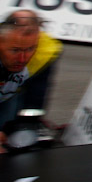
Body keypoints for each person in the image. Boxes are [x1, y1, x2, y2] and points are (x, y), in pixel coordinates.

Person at [0, 10, 62, 153]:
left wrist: (27, 122)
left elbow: (38, 88)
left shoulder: (47, 49)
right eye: (15, 50)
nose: (23, 57)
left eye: (30, 48)